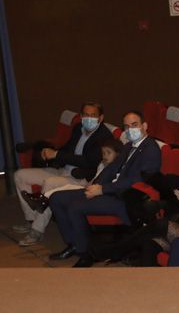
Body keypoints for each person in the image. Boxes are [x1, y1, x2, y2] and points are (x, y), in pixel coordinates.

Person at [47, 110, 162, 267]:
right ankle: (73, 243)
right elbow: (111, 168)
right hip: (109, 190)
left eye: (134, 125)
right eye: (126, 126)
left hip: (124, 198)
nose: (130, 130)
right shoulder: (129, 146)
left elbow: (138, 180)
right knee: (56, 198)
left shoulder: (151, 149)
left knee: (75, 207)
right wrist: (97, 184)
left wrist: (103, 189)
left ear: (145, 126)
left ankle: (85, 253)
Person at [14, 101, 114, 245]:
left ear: (101, 118)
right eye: (86, 115)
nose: (89, 118)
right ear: (81, 116)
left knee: (50, 183)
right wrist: (50, 153)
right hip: (62, 170)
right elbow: (67, 149)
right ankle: (32, 219)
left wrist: (57, 155)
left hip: (80, 178)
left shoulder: (104, 136)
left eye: (93, 115)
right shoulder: (78, 128)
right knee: (20, 175)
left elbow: (88, 161)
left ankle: (37, 230)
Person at [18, 134, 121, 248]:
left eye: (108, 153)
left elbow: (104, 181)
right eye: (103, 153)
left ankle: (42, 201)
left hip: (95, 191)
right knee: (62, 190)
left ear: (117, 154)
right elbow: (95, 177)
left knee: (59, 190)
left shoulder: (114, 167)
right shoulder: (102, 164)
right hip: (89, 186)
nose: (105, 156)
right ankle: (42, 200)